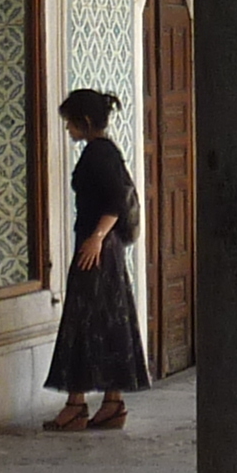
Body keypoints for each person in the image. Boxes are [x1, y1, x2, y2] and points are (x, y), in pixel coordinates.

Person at [40, 89, 147, 429]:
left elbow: (115, 201)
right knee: (108, 321)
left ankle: (76, 404)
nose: (68, 130)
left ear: (84, 122)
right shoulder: (107, 152)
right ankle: (112, 402)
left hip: (96, 249)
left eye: (70, 123)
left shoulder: (97, 154)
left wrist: (96, 238)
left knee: (82, 322)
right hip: (105, 249)